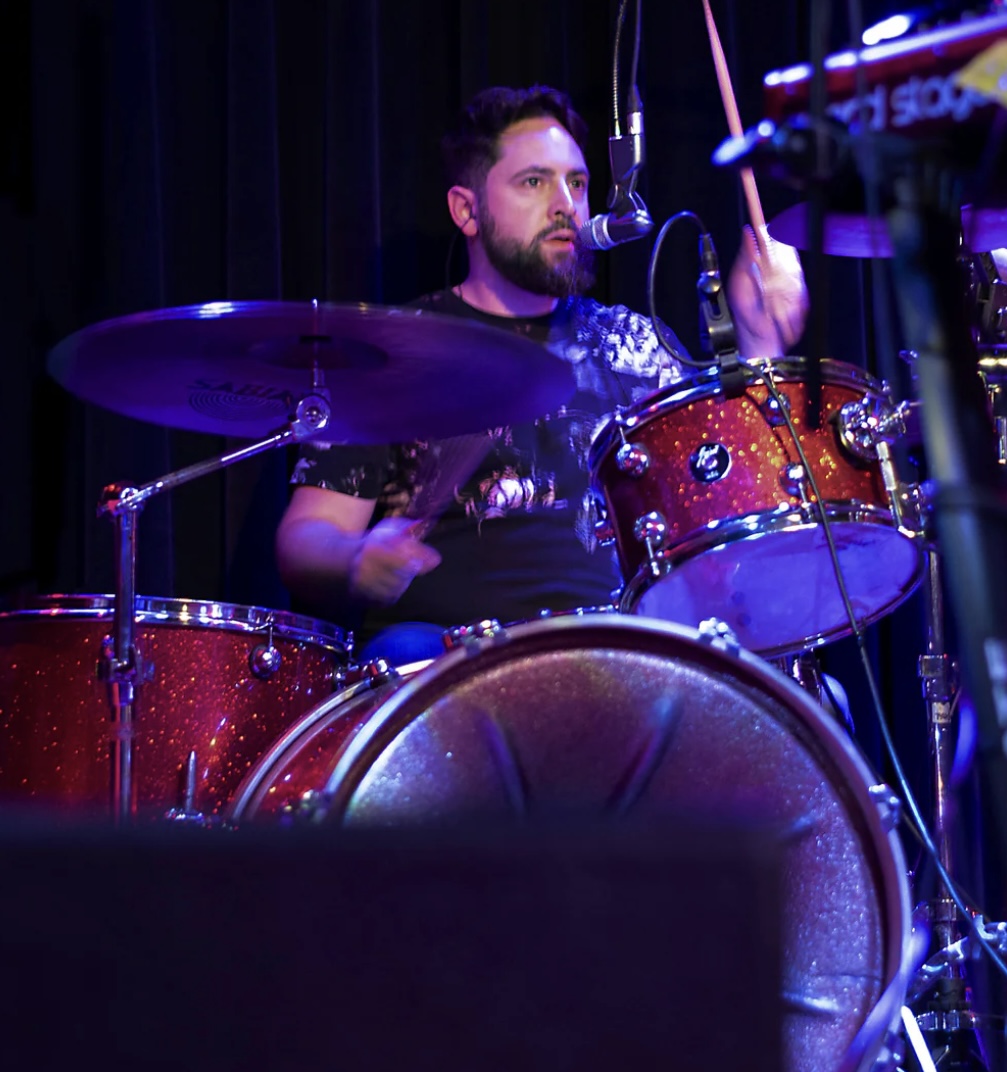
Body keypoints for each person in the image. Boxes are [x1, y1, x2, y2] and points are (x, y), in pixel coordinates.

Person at [276, 84, 807, 664]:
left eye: (576, 183)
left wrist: (761, 345)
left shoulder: (638, 346)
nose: (566, 205)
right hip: (449, 661)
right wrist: (354, 560)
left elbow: (725, 503)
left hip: (621, 654)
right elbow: (306, 536)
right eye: (534, 182)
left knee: (809, 690)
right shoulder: (395, 352)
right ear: (466, 210)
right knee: (402, 649)